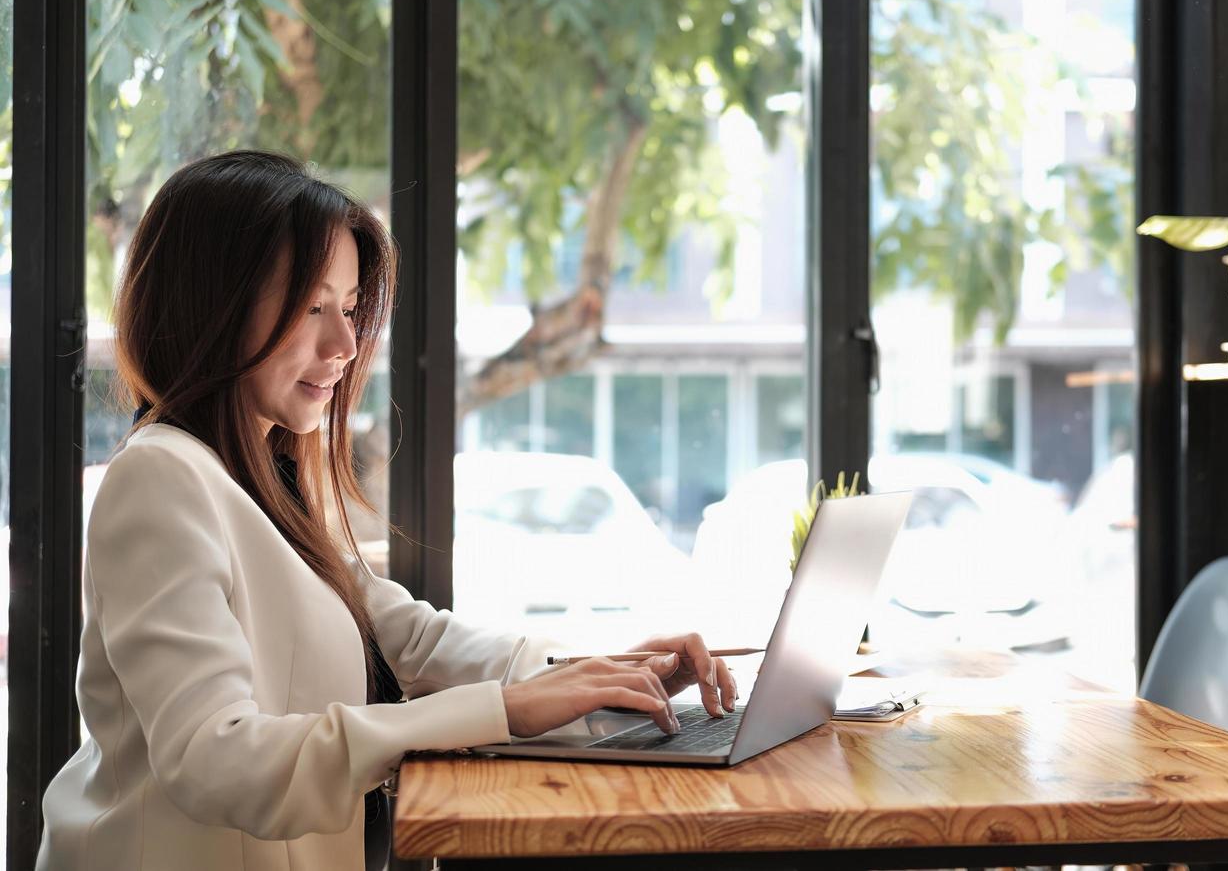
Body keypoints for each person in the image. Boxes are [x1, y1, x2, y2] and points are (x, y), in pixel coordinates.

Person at [37, 150, 737, 870]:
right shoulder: (161, 477)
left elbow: (410, 640)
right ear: (210, 305)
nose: (344, 345)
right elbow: (215, 759)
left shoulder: (261, 477)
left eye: (347, 308)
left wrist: (600, 677)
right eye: (311, 306)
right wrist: (505, 709)